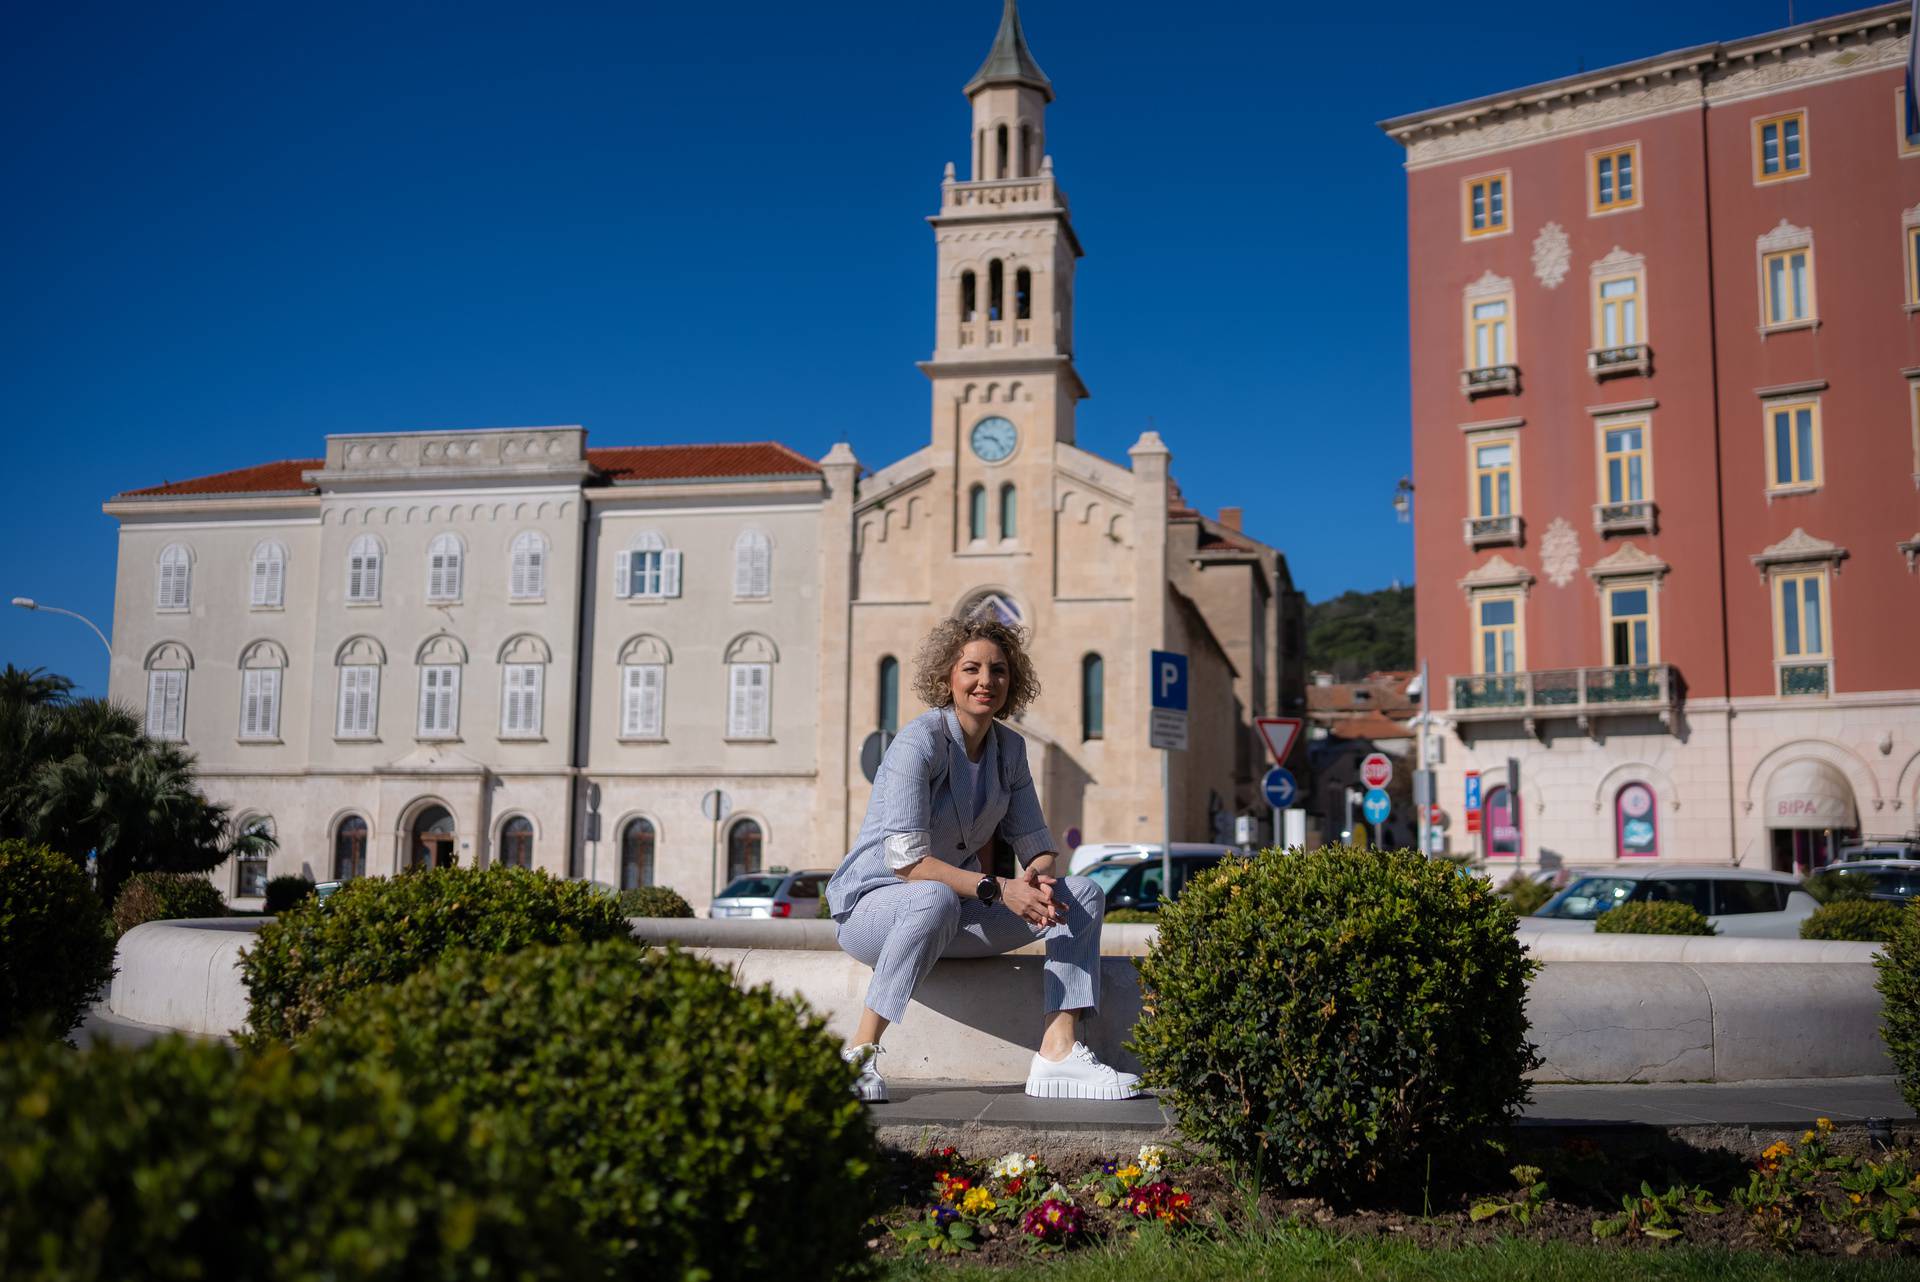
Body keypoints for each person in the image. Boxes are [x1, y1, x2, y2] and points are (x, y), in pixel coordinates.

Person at [825, 614, 1142, 1104]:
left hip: (952, 911)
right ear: (947, 677)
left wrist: (1037, 875)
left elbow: (1035, 841)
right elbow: (909, 865)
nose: (985, 681)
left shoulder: (1009, 750)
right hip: (873, 908)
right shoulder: (919, 742)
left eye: (998, 670)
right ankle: (859, 1055)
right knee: (931, 898)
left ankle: (1058, 1053)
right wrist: (1000, 888)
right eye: (971, 668)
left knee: (1081, 893)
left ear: (1011, 682)